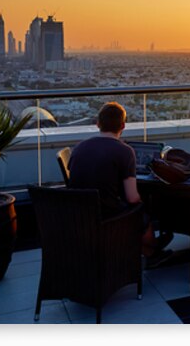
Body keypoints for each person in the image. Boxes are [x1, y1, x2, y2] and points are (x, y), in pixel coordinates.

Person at [69, 101, 172, 265]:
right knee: (140, 208)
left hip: (77, 216)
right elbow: (132, 198)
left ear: (98, 124)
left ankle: (150, 250)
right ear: (123, 125)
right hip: (107, 217)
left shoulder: (79, 147)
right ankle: (152, 249)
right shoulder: (124, 151)